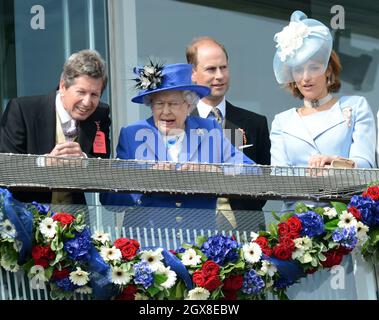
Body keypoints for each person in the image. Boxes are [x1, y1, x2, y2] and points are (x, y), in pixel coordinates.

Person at [270, 10, 376, 299]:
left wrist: (336, 163)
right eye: (298, 68)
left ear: (329, 69)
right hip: (296, 236)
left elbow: (367, 166)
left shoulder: (355, 106)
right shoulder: (282, 120)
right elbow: (279, 179)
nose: (305, 77)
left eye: (314, 67)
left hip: (346, 231)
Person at [100, 62, 255, 230]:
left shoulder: (210, 130)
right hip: (148, 245)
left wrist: (216, 172)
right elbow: (109, 199)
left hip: (199, 245)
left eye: (173, 104)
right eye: (159, 104)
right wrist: (144, 180)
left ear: (189, 104)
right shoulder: (132, 135)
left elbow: (253, 171)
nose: (165, 111)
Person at [0, 49, 111, 204]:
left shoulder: (100, 114)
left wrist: (84, 161)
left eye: (94, 95)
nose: (87, 102)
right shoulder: (22, 110)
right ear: (63, 86)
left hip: (75, 221)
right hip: (25, 218)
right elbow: (6, 168)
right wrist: (44, 163)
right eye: (81, 92)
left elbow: (104, 166)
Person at [186, 36, 270, 212]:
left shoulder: (255, 123)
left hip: (246, 232)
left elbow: (265, 186)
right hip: (192, 229)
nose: (220, 76)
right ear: (192, 73)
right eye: (211, 69)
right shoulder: (178, 123)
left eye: (223, 67)